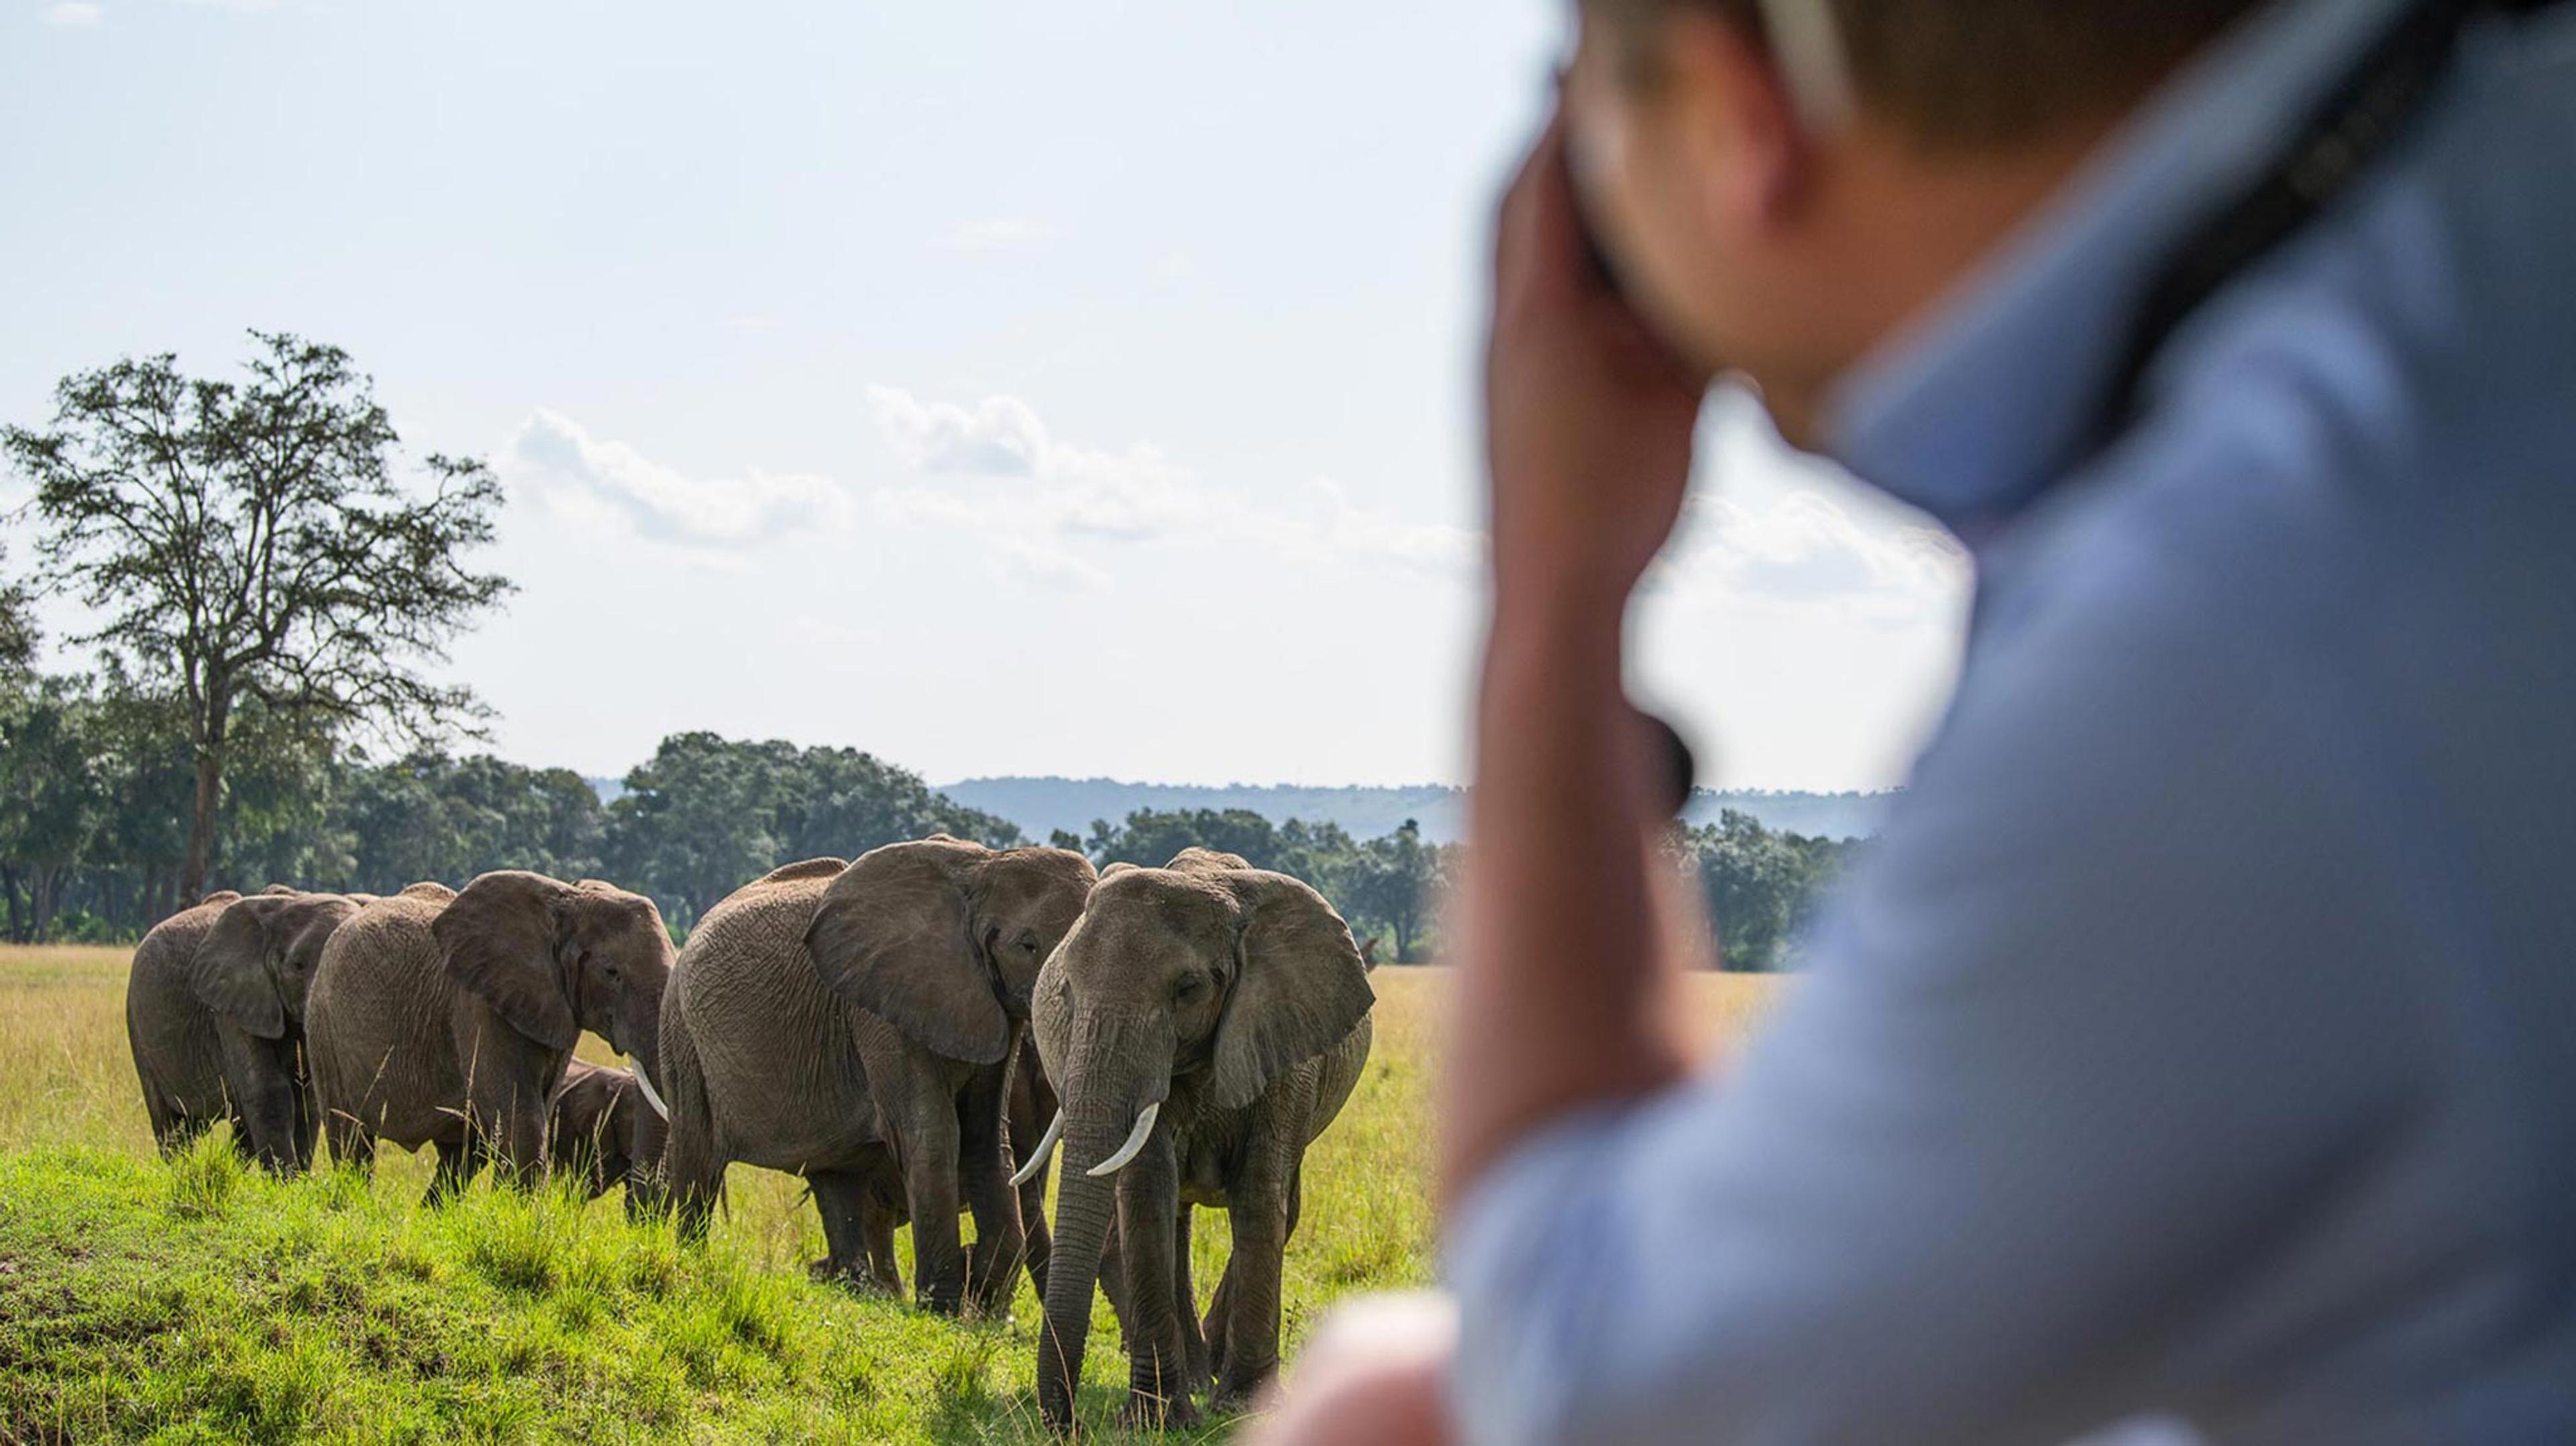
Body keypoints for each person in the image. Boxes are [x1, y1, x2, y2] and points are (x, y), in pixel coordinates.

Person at [1252, 0, 2576, 1441]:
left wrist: (1553, 597)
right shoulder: (2480, 201)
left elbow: (1588, 1387)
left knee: (1382, 1409)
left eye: (1581, 116)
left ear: (1737, 109)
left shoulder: (2238, 623)